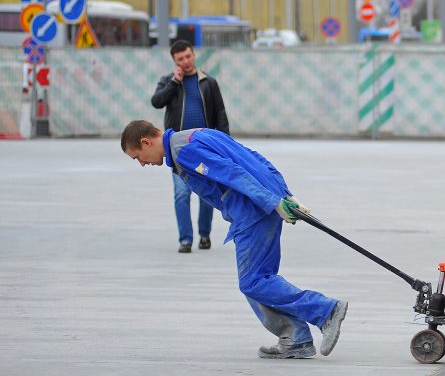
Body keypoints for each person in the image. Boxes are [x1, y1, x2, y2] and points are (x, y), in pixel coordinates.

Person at [120, 120, 348, 359]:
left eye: (138, 157)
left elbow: (232, 173)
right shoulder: (197, 134)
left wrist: (274, 201)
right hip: (261, 206)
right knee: (257, 279)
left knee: (253, 282)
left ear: (146, 142)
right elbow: (253, 157)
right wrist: (285, 194)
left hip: (252, 212)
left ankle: (325, 310)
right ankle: (295, 338)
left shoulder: (183, 151)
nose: (142, 163)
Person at [151, 40, 230, 253]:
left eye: (188, 56)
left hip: (204, 150)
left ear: (193, 55)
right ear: (174, 61)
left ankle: (204, 235)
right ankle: (185, 239)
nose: (185, 61)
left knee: (207, 195)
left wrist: (225, 145)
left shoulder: (208, 82)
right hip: (178, 151)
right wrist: (174, 83)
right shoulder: (168, 81)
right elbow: (156, 101)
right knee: (181, 194)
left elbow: (220, 114)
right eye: (180, 59)